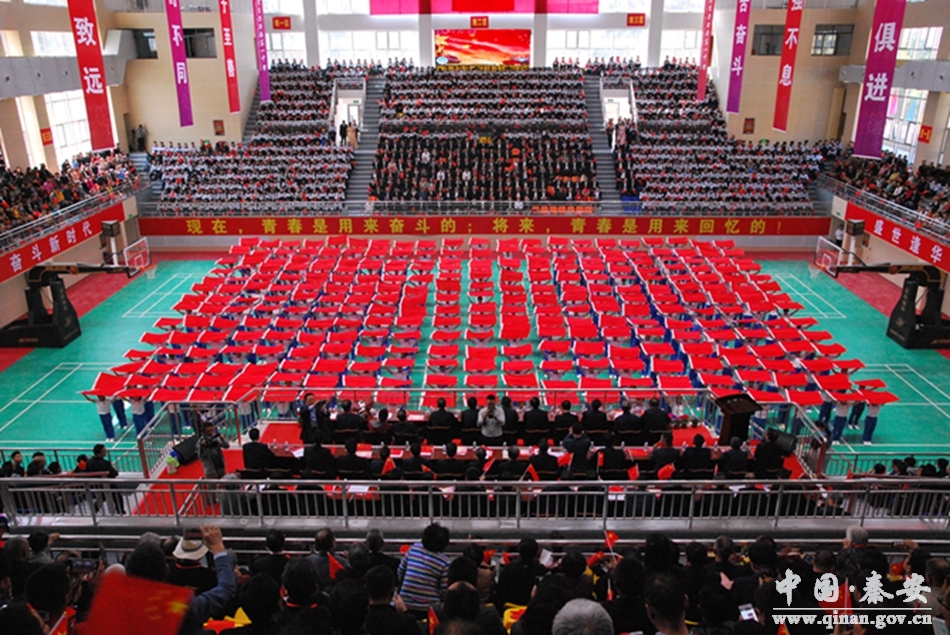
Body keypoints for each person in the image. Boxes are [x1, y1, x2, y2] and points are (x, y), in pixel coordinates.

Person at [126, 525, 238, 635]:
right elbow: (226, 588)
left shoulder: (120, 608)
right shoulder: (183, 608)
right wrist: (218, 548)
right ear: (166, 570)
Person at [398, 523, 452, 618]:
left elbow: (400, 571)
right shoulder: (444, 562)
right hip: (429, 608)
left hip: (404, 603)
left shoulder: (414, 548)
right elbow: (444, 590)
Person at [494, 538, 547, 611]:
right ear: (536, 552)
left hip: (509, 607)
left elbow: (500, 590)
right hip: (531, 608)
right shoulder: (540, 570)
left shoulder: (508, 568)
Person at [364, 565, 419, 635]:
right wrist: (405, 612)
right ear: (393, 591)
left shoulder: (359, 620)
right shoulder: (406, 622)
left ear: (366, 589)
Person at [87, 442, 125, 514]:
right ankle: (120, 511)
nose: (106, 452)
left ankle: (94, 510)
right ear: (98, 453)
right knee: (117, 496)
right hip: (107, 484)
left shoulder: (88, 462)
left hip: (94, 484)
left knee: (103, 496)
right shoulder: (105, 463)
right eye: (104, 451)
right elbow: (113, 473)